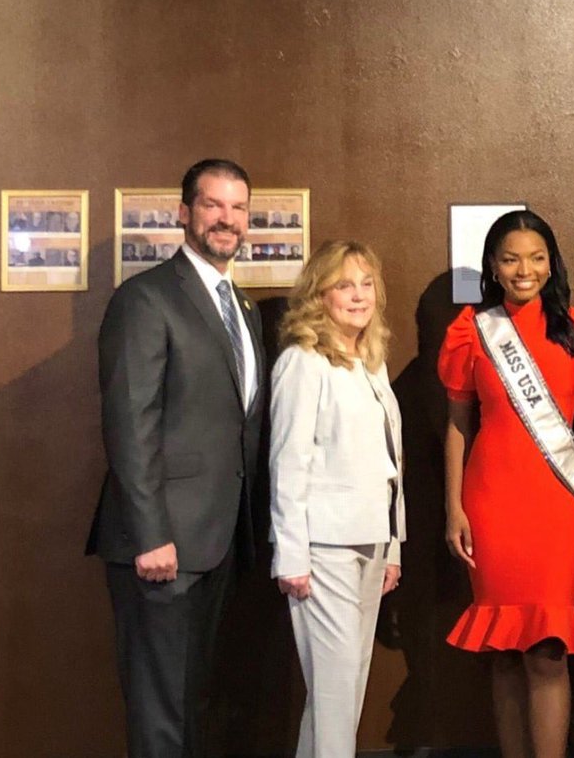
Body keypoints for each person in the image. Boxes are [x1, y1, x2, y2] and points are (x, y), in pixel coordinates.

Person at [86, 159, 265, 758]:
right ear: (184, 213)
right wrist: (150, 535)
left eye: (238, 208)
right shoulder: (146, 298)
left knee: (193, 701)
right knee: (161, 711)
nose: (227, 219)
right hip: (161, 545)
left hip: (216, 542)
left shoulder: (240, 304)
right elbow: (129, 425)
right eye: (213, 205)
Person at [439, 209, 574, 758]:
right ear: (493, 263)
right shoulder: (472, 331)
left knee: (548, 648)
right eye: (511, 258)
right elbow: (457, 428)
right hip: (490, 504)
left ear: (551, 263)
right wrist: (453, 509)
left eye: (536, 257)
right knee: (505, 650)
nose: (523, 269)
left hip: (559, 506)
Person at [269, 240, 405, 758]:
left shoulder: (371, 362)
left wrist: (393, 546)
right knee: (333, 695)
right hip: (321, 547)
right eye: (344, 284)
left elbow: (388, 462)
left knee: (344, 696)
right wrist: (291, 555)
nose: (358, 295)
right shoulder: (303, 362)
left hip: (371, 541)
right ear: (318, 295)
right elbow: (288, 464)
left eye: (366, 283)